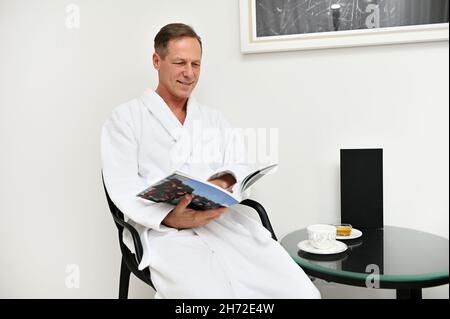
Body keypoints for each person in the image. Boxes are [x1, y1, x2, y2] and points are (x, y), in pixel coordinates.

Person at [101, 23, 321, 299]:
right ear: (157, 60)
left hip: (220, 224)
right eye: (180, 62)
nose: (189, 73)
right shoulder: (125, 119)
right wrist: (169, 218)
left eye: (196, 64)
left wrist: (224, 182)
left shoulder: (212, 119)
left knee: (298, 291)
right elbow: (121, 186)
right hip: (163, 233)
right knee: (208, 295)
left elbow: (240, 165)